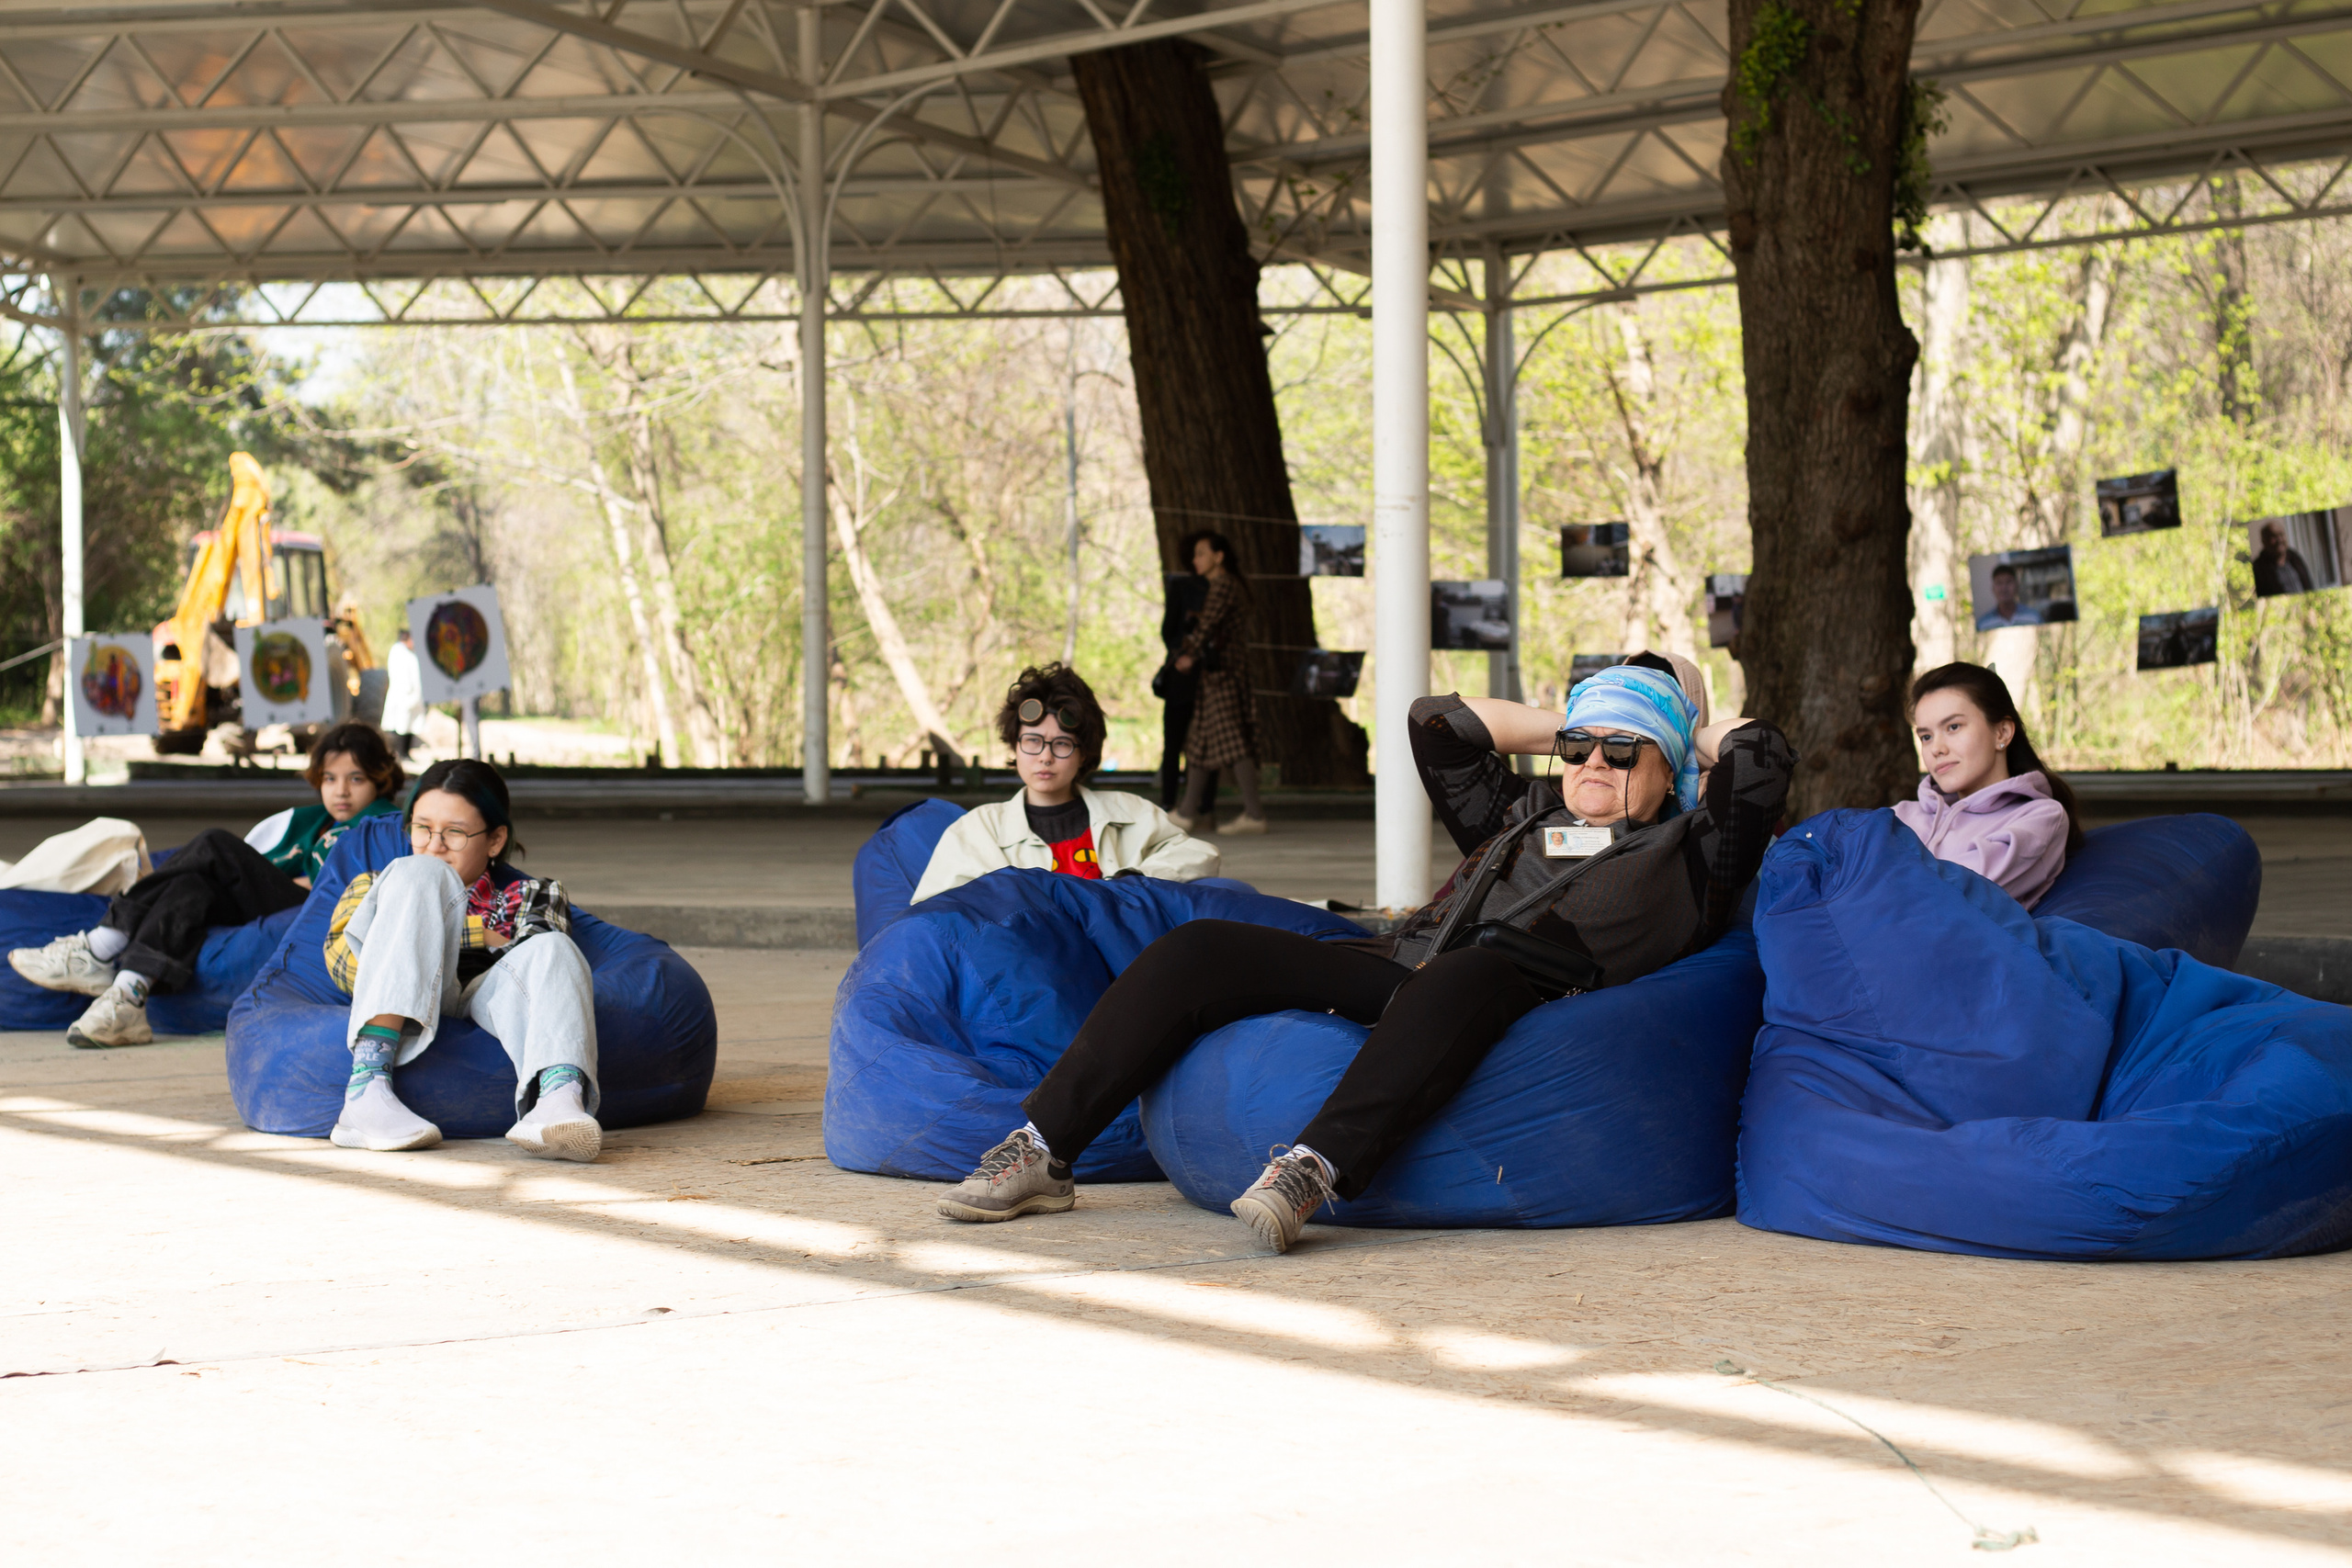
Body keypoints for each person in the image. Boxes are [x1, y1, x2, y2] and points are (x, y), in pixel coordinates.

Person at [935, 653, 1794, 1252]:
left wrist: (1679, 725)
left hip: (1530, 991)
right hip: (1408, 965)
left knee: (1471, 971)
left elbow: (1763, 755)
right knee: (1198, 948)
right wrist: (1583, 719)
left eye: (1620, 749)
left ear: (1669, 762)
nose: (1591, 762)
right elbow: (1436, 724)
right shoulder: (1524, 812)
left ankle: (1314, 1168)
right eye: (1578, 745)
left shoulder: (1695, 849)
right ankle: (1045, 1147)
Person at [8, 722, 404, 1048]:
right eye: (330, 778)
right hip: (284, 898)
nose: (341, 790)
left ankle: (101, 944)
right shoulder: (313, 821)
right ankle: (128, 996)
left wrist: (249, 876)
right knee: (191, 888)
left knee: (215, 845)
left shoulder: (382, 823)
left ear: (380, 779)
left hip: (315, 909)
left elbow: (338, 883)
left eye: (357, 778)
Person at [322, 757, 599, 1160]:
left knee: (556, 948)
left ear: (495, 840)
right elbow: (344, 966)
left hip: (486, 997)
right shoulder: (383, 883)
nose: (434, 845)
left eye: (454, 833)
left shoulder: (532, 893)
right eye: (422, 828)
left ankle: (557, 1101)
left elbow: (541, 974)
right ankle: (366, 1093)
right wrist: (471, 932)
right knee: (422, 875)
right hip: (404, 1002)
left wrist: (437, 931)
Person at [913, 664, 1218, 904]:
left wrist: (1135, 881)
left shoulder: (1131, 812)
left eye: (1062, 744)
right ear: (1014, 747)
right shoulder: (979, 829)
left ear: (1084, 753)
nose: (1045, 757)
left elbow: (1200, 855)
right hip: (1026, 967)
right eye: (1032, 742)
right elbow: (933, 910)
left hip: (1125, 962)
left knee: (1227, 891)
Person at [1895, 662, 2081, 909]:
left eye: (1953, 727)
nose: (1936, 748)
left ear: (2002, 733)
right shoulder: (1901, 815)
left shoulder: (2039, 819)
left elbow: (1954, 895)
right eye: (1926, 736)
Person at [1170, 531, 1269, 836]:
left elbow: (1209, 625)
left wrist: (1189, 654)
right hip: (1216, 676)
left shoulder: (1224, 584)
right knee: (1200, 742)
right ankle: (1185, 813)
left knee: (1234, 743)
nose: (1195, 560)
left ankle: (1254, 814)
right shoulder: (1225, 586)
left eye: (1201, 553)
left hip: (1224, 674)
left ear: (1218, 556)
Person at [1154, 568, 1209, 811]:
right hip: (1201, 676)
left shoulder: (1188, 587)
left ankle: (1171, 803)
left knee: (1175, 744)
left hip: (1189, 676)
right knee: (1204, 745)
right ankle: (1204, 807)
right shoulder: (1209, 588)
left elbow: (1168, 631)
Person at [380, 626, 425, 761]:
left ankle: (405, 752)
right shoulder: (398, 652)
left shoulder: (409, 652)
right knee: (401, 725)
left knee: (409, 725)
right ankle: (400, 753)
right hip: (404, 694)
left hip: (412, 695)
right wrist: (408, 691)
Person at [2253, 521, 2319, 597]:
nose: (2279, 540)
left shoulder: (2295, 557)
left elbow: (2309, 585)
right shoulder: (2258, 569)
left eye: (2281, 535)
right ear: (2264, 541)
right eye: (2273, 536)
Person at [1973, 563, 2041, 630]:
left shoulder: (2034, 618)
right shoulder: (1983, 625)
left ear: (2017, 586)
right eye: (1999, 583)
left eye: (2008, 582)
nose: (2004, 588)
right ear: (1993, 589)